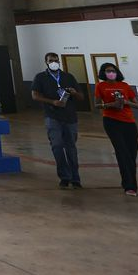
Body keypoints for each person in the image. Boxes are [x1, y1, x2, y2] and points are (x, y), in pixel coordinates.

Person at [31, 52, 84, 189]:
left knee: (71, 148)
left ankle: (75, 178)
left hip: (70, 117)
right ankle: (64, 177)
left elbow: (81, 97)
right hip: (53, 117)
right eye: (51, 60)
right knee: (57, 146)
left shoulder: (68, 77)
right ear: (46, 62)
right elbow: (35, 95)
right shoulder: (41, 77)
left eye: (56, 60)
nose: (54, 62)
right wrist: (52, 102)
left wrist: (74, 93)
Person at [95, 62, 138, 196]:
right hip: (111, 121)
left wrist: (126, 102)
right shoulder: (100, 86)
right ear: (104, 73)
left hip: (129, 121)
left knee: (132, 151)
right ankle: (130, 185)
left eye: (113, 70)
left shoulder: (124, 86)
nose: (111, 73)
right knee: (122, 152)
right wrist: (111, 105)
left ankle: (129, 178)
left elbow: (137, 105)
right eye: (108, 71)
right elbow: (97, 105)